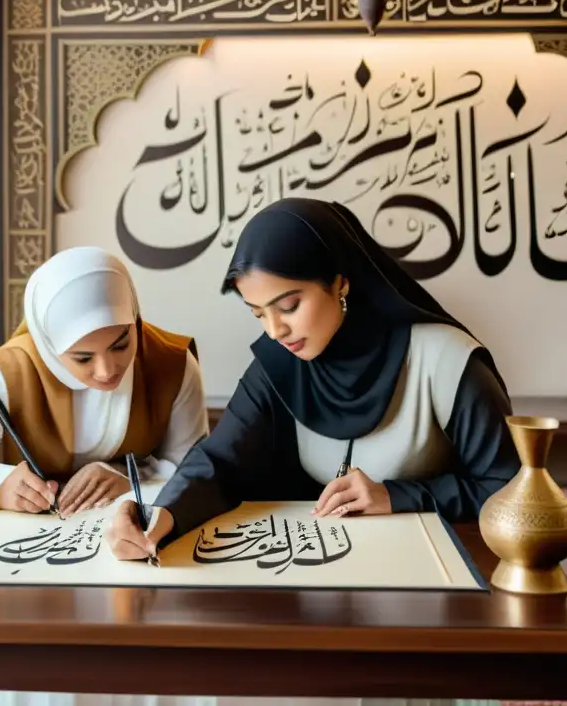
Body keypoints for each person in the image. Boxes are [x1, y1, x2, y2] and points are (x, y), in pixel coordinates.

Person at [106, 198, 520, 561]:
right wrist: (163, 514)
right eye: (258, 314)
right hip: (321, 577)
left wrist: (398, 496)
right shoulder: (278, 365)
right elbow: (222, 460)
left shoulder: (447, 360)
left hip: (440, 584)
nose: (275, 331)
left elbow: (513, 490)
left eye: (288, 305)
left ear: (340, 281)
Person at [0, 246, 209, 517]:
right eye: (83, 358)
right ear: (48, 345)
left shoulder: (172, 362)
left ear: (135, 318)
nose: (107, 371)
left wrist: (130, 479)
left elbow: (197, 469)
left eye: (121, 345)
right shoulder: (10, 372)